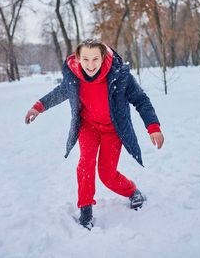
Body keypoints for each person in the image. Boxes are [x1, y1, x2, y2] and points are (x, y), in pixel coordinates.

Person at [25, 39, 164, 230]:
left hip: (113, 129)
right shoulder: (74, 76)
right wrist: (38, 107)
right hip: (88, 126)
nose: (90, 65)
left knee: (107, 174)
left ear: (104, 57)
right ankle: (85, 210)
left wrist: (153, 127)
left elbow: (141, 100)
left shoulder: (119, 75)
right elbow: (60, 92)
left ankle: (132, 191)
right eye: (86, 59)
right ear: (78, 59)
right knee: (85, 163)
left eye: (95, 59)